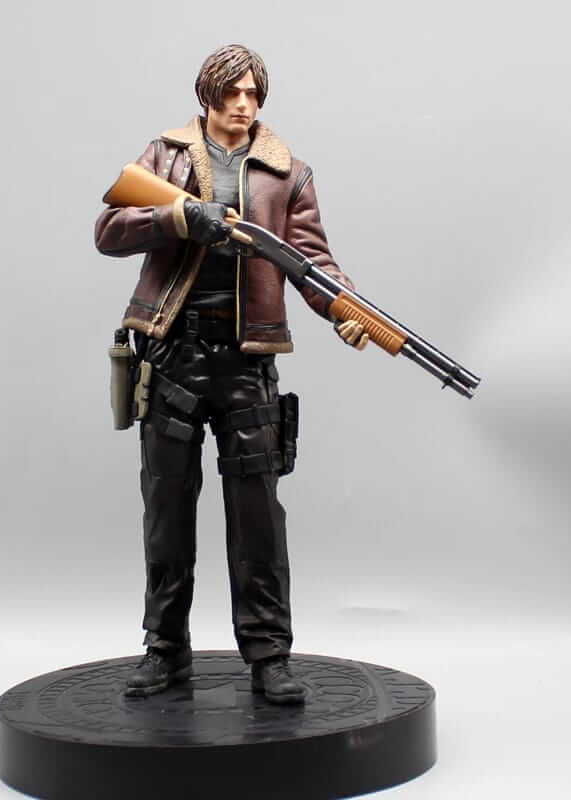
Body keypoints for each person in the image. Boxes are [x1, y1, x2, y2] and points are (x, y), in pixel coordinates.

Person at [95, 44, 367, 704]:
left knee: (258, 518)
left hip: (248, 360)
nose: (244, 104)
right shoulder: (166, 157)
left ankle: (269, 656)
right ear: (207, 96)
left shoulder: (286, 173)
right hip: (172, 352)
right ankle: (165, 651)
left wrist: (346, 311)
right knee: (166, 511)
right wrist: (180, 216)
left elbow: (312, 261)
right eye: (232, 92)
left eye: (253, 93)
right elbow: (109, 229)